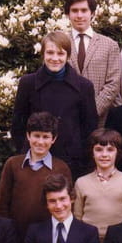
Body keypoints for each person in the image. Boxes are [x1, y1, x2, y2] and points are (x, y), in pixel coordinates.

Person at [11, 31, 98, 179]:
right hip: (35, 158)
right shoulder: (28, 83)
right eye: (50, 53)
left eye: (60, 53)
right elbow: (18, 124)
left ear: (68, 56)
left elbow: (89, 128)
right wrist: (25, 152)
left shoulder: (84, 86)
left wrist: (82, 158)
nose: (55, 58)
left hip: (71, 161)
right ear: (43, 54)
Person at [0, 111, 72, 241]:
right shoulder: (13, 164)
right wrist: (6, 233)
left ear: (53, 139)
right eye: (36, 136)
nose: (40, 142)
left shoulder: (61, 168)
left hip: (48, 237)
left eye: (45, 137)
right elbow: (3, 203)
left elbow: (67, 205)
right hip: (16, 236)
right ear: (28, 136)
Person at [64, 0, 121, 125]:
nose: (79, 15)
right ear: (67, 14)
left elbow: (113, 84)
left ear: (92, 13)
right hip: (67, 119)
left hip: (100, 121)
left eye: (84, 10)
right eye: (74, 10)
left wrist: (91, 111)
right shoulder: (60, 44)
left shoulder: (110, 45)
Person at [73, 128, 122, 241]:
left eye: (110, 150)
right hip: (90, 241)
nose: (104, 154)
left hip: (119, 240)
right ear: (92, 153)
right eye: (99, 150)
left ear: (117, 152)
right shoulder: (81, 182)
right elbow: (77, 218)